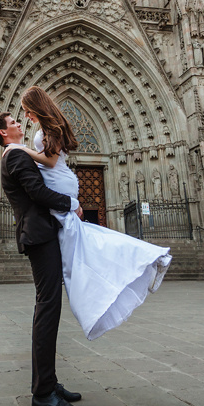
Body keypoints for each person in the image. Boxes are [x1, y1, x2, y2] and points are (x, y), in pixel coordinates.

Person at [17, 86, 172, 341]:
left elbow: (51, 161)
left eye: (27, 110)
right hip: (64, 183)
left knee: (79, 252)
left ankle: (143, 261)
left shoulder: (51, 128)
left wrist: (22, 151)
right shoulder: (51, 126)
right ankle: (136, 263)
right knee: (82, 245)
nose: (25, 116)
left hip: (59, 183)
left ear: (36, 106)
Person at [0, 112, 85, 406]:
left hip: (42, 233)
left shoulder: (18, 154)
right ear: (4, 133)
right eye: (13, 122)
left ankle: (49, 382)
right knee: (47, 308)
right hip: (39, 235)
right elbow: (38, 193)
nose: (19, 123)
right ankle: (42, 393)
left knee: (49, 308)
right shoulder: (14, 157)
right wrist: (72, 204)